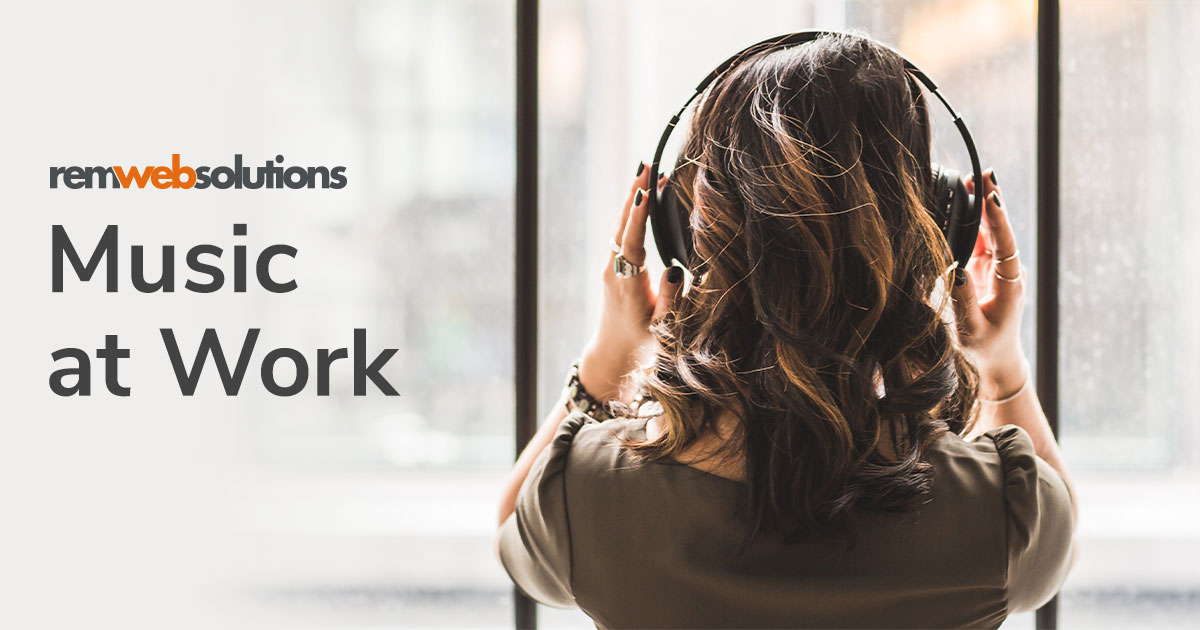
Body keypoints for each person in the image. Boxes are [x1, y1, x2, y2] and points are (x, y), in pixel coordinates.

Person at [496, 31, 1077, 629]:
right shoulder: (1001, 510)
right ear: (939, 226)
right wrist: (1002, 364)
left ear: (681, 234)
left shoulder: (588, 496)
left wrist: (610, 353)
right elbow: (1057, 547)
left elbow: (514, 534)